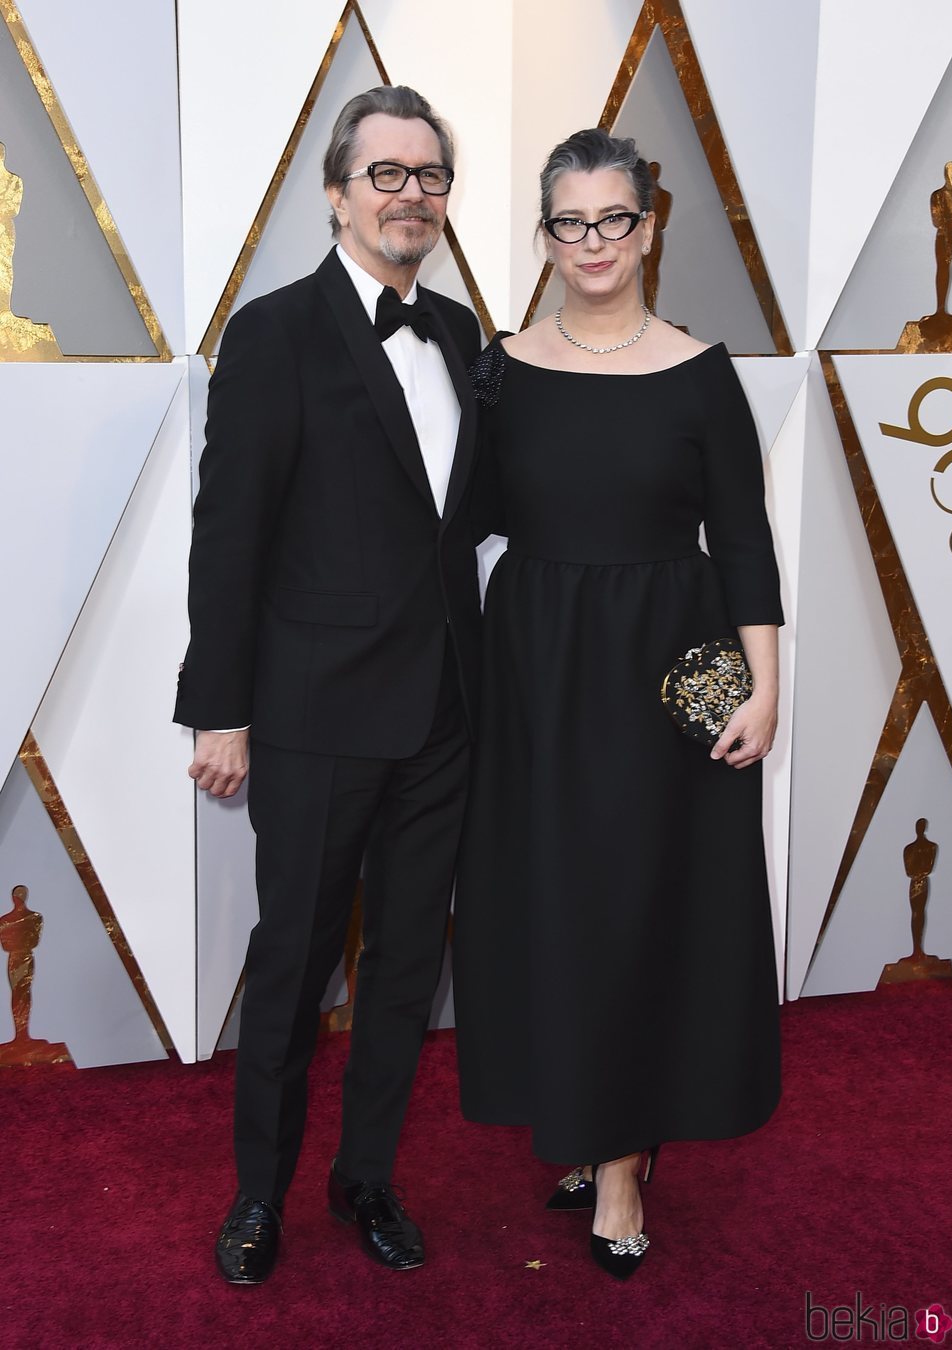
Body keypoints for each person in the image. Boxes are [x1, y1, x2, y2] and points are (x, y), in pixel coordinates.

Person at [453, 128, 783, 1280]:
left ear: (648, 227)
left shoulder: (701, 372)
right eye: (567, 222)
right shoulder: (499, 366)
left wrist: (763, 688)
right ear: (543, 237)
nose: (590, 242)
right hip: (536, 663)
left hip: (669, 668)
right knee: (556, 901)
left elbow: (741, 541)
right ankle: (585, 1124)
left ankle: (626, 1163)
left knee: (648, 903)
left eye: (612, 219)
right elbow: (459, 523)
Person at [175, 85, 483, 1284]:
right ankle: (259, 1197)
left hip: (446, 716)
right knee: (294, 967)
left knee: (407, 969)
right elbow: (228, 532)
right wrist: (220, 705)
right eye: (386, 174)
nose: (411, 194)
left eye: (429, 175)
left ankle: (366, 1180)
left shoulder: (463, 334)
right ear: (336, 193)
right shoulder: (274, 332)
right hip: (312, 717)